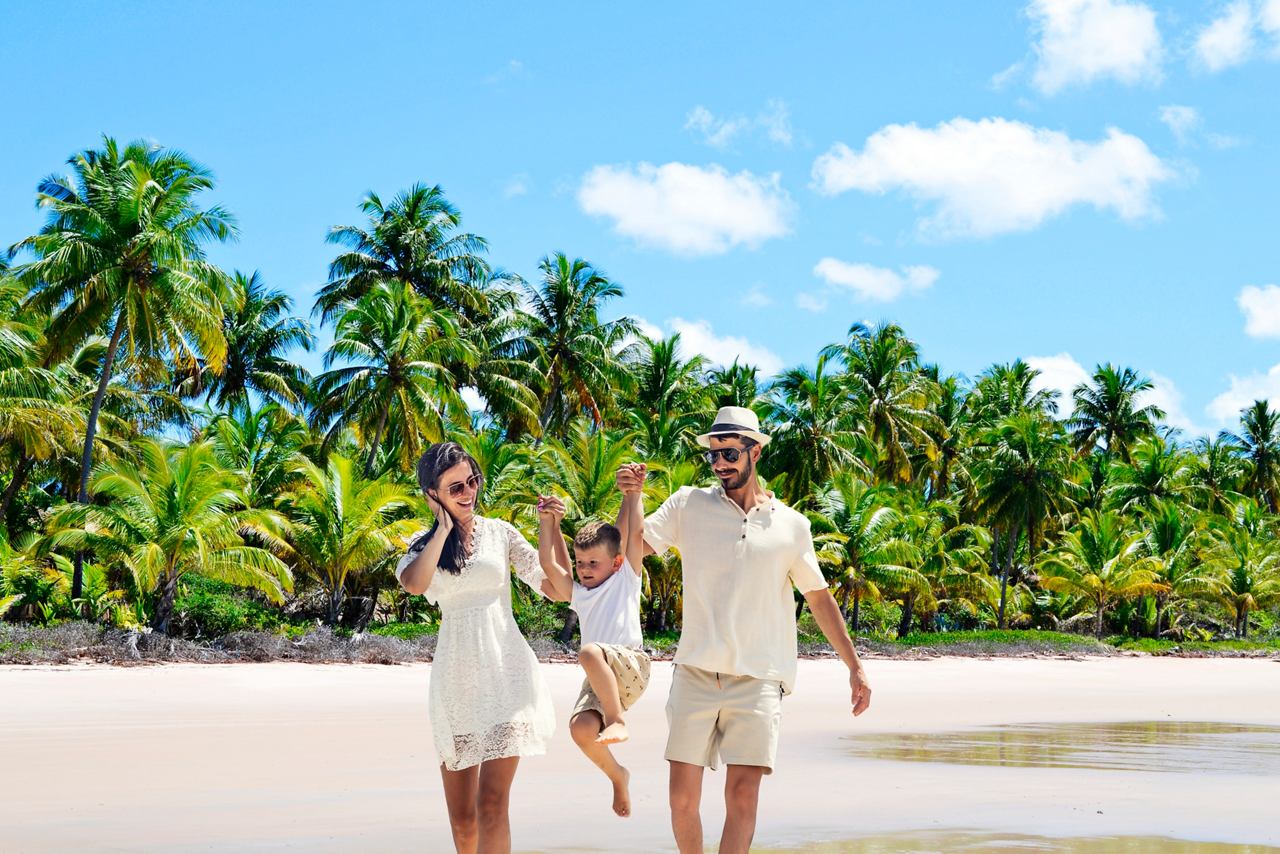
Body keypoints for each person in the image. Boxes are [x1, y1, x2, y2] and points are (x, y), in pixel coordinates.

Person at [626, 406, 873, 854]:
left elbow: (818, 597)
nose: (720, 464)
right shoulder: (688, 503)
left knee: (742, 799)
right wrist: (633, 498)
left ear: (754, 451)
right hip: (696, 672)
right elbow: (634, 550)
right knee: (681, 800)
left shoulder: (792, 525)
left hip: (759, 679)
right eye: (713, 456)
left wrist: (855, 667)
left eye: (729, 454)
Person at [396, 442, 557, 854]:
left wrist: (549, 527)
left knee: (491, 805)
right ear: (432, 495)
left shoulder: (501, 533)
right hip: (457, 685)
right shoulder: (422, 547)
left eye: (472, 481)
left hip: (507, 676)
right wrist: (444, 530)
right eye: (455, 488)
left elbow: (554, 587)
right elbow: (414, 584)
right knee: (463, 821)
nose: (468, 493)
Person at [535, 464, 650, 818]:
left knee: (587, 651)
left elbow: (631, 532)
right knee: (581, 730)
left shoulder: (625, 577)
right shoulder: (579, 594)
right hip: (600, 674)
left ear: (615, 564)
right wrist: (547, 524)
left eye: (593, 563)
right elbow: (550, 564)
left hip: (630, 664)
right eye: (581, 562)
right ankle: (618, 775)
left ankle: (616, 719)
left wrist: (633, 494)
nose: (584, 569)